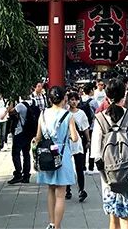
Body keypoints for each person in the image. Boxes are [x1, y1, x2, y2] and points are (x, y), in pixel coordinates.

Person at [91, 77, 128, 229]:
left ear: (107, 97)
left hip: (109, 176)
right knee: (127, 216)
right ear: (124, 95)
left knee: (113, 217)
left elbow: (96, 151)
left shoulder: (100, 119)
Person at [34, 86, 78, 229]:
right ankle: (58, 226)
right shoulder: (68, 115)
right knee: (61, 194)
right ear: (64, 98)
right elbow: (75, 137)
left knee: (51, 190)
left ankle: (52, 223)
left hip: (47, 154)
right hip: (61, 154)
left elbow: (38, 137)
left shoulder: (43, 114)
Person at [66, 90, 91, 202]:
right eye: (72, 100)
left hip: (78, 142)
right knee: (67, 167)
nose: (74, 102)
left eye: (76, 99)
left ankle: (81, 189)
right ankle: (67, 189)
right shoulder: (65, 113)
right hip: (67, 142)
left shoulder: (81, 113)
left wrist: (88, 140)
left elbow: (85, 128)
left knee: (79, 168)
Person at [8, 97, 35, 184]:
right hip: (28, 132)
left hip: (20, 132)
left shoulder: (20, 106)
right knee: (26, 154)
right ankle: (26, 175)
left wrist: (11, 104)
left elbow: (11, 112)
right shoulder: (32, 103)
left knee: (15, 153)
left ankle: (18, 174)